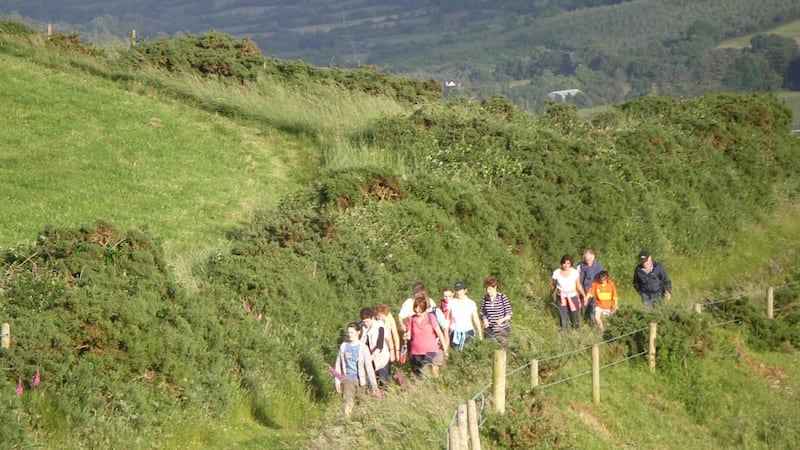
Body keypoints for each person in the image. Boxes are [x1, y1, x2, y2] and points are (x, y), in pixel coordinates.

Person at [333, 322, 379, 418]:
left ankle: (359, 424)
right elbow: (338, 364)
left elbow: (369, 367)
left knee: (361, 403)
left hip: (360, 380)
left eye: (352, 332)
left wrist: (374, 386)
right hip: (347, 379)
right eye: (348, 333)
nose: (350, 335)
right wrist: (337, 381)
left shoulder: (363, 348)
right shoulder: (344, 346)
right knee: (348, 403)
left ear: (358, 332)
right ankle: (346, 421)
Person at [404, 293, 448, 377]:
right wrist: (405, 336)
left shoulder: (431, 317)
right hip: (416, 352)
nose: (417, 310)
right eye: (415, 307)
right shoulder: (411, 319)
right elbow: (409, 335)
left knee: (429, 370)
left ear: (424, 308)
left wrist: (445, 347)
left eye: (419, 308)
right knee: (420, 375)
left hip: (430, 350)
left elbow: (439, 333)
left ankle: (434, 386)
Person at [550, 254, 586, 331]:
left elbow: (578, 285)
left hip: (572, 296)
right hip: (561, 297)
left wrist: (584, 295)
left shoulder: (574, 272)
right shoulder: (556, 272)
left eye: (568, 263)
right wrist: (551, 294)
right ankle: (564, 335)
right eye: (564, 263)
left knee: (574, 317)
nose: (566, 265)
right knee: (563, 317)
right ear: (561, 263)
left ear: (570, 264)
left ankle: (576, 334)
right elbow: (553, 285)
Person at [360, 307, 392, 390]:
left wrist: (372, 356)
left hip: (382, 358)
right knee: (371, 384)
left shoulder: (380, 326)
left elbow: (380, 345)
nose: (366, 323)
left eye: (367, 321)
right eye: (364, 321)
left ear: (372, 318)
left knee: (383, 381)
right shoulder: (360, 328)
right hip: (368, 361)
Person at [449, 281, 483, 350]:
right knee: (456, 354)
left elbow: (476, 319)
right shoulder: (451, 303)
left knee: (468, 352)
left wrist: (480, 335)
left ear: (465, 290)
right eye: (457, 290)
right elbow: (447, 319)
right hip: (455, 332)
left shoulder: (471, 303)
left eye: (460, 290)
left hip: (468, 331)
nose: (458, 292)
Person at [479, 276, 512, 346]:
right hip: (489, 329)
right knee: (490, 347)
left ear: (495, 287)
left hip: (502, 329)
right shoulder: (484, 299)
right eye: (486, 289)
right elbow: (482, 312)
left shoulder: (503, 297)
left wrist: (503, 319)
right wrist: (485, 320)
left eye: (490, 289)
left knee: (501, 349)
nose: (488, 291)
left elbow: (509, 313)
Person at [578, 249, 605, 325]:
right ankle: (585, 323)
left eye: (589, 260)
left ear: (593, 257)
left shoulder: (599, 267)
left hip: (595, 293)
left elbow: (603, 280)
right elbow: (578, 281)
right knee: (584, 309)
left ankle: (593, 325)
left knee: (593, 310)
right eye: (586, 260)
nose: (588, 262)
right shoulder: (580, 266)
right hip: (583, 291)